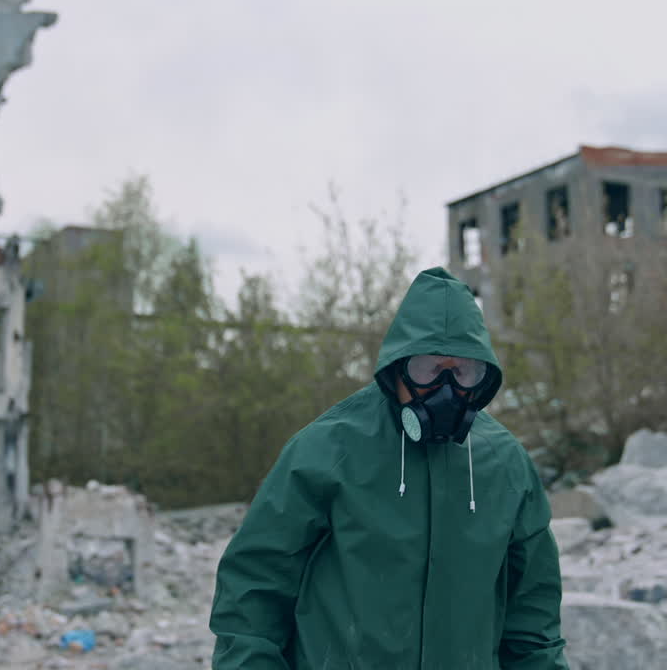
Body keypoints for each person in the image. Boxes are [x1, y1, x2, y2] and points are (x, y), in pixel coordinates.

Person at [209, 267, 570, 669]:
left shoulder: (506, 464)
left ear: (483, 377)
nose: (447, 389)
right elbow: (252, 592)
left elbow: (534, 624)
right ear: (397, 367)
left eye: (464, 372)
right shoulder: (326, 451)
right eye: (428, 369)